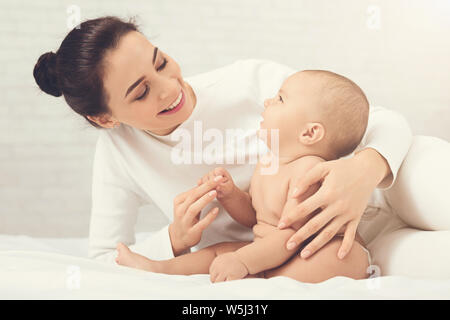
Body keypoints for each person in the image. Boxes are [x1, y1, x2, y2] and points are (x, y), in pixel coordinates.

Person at [32, 16, 450, 278]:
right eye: (141, 93)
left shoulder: (249, 82)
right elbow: (106, 261)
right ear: (105, 118)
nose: (170, 88)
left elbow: (384, 121)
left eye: (160, 62)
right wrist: (174, 240)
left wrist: (362, 172)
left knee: (433, 175)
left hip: (388, 186)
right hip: (334, 249)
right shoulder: (118, 157)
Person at [114, 70, 372, 283]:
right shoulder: (269, 162)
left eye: (280, 99)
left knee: (336, 259)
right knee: (218, 251)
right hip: (270, 249)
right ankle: (159, 269)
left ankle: (267, 280)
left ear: (309, 133)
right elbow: (255, 218)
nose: (268, 102)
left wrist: (244, 261)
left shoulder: (309, 173)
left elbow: (291, 238)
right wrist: (231, 195)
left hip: (308, 250)